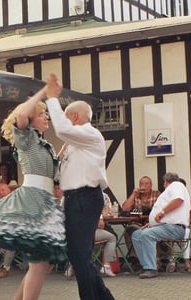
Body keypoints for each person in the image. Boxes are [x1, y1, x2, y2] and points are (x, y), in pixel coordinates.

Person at [0, 89, 67, 299]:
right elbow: (20, 116)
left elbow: (53, 172)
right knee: (39, 264)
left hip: (45, 203)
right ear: (30, 119)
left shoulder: (42, 144)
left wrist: (67, 146)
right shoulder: (26, 138)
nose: (47, 117)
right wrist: (43, 92)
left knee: (44, 265)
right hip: (32, 201)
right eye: (41, 114)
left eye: (46, 113)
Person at [44, 73, 114, 299]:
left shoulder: (89, 133)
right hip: (76, 198)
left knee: (79, 256)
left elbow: (63, 130)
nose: (62, 121)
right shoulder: (77, 143)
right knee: (78, 256)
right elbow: (63, 175)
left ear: (74, 116)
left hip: (85, 197)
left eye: (65, 117)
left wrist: (52, 99)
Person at [131, 172, 191, 279]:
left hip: (175, 227)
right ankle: (146, 265)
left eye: (164, 183)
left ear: (166, 182)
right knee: (137, 234)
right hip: (165, 226)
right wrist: (152, 224)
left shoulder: (176, 185)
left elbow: (178, 200)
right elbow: (173, 213)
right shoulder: (172, 189)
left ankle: (151, 269)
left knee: (147, 234)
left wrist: (162, 212)